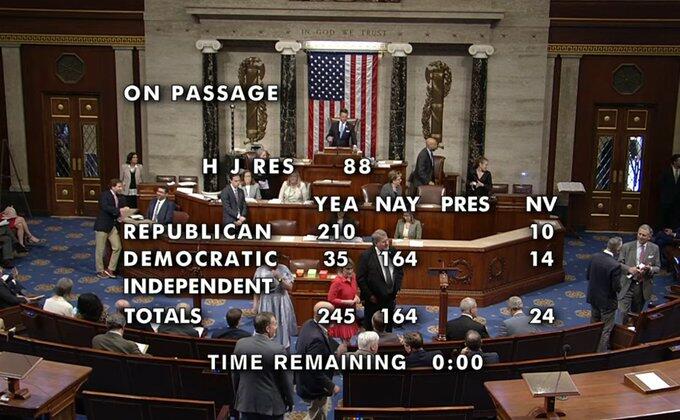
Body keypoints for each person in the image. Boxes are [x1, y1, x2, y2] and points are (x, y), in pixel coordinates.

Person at [232, 312, 294, 420]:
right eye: (275, 324)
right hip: (271, 407)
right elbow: (286, 380)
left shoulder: (240, 344)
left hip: (246, 403)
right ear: (268, 328)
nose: (276, 327)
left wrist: (239, 395)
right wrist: (290, 401)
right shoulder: (278, 350)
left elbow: (235, 374)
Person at [296, 301, 344, 420]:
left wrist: (337, 347)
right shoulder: (317, 340)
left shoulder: (309, 324)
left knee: (319, 413)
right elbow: (314, 369)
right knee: (315, 414)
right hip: (314, 387)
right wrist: (332, 386)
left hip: (304, 379)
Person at [357, 229, 404, 332]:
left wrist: (396, 288)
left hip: (390, 298)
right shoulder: (366, 256)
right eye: (383, 242)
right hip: (374, 300)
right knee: (371, 329)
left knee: (387, 328)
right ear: (376, 243)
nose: (387, 243)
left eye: (387, 240)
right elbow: (361, 279)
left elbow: (399, 271)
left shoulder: (393, 252)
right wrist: (370, 295)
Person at [618, 224, 660, 324]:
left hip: (642, 286)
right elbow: (618, 264)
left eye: (644, 235)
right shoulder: (627, 246)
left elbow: (658, 267)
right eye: (639, 234)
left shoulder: (654, 248)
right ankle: (622, 330)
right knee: (623, 313)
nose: (640, 236)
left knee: (636, 314)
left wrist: (649, 269)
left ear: (649, 237)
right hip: (627, 284)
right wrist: (629, 269)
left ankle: (632, 331)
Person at [586, 237, 623, 351]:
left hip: (593, 297)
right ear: (617, 250)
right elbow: (616, 287)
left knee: (593, 327)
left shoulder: (594, 256)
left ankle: (589, 350)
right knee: (605, 330)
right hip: (607, 302)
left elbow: (588, 276)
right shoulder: (615, 265)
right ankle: (599, 355)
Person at [254, 259, 296, 349]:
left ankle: (283, 347)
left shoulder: (283, 268)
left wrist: (279, 278)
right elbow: (257, 290)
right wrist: (255, 306)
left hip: (281, 301)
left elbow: (290, 287)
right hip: (266, 301)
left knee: (281, 324)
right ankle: (266, 347)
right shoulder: (260, 270)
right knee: (266, 324)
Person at [94, 178, 128, 278]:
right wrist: (119, 210)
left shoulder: (121, 197)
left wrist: (125, 211)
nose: (121, 188)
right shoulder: (105, 195)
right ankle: (100, 270)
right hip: (103, 225)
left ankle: (110, 269)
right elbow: (105, 207)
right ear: (113, 187)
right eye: (119, 186)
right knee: (100, 250)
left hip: (113, 226)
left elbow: (121, 209)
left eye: (121, 186)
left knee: (117, 247)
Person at [327, 259, 360, 343]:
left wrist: (356, 297)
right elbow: (331, 299)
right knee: (344, 339)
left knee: (348, 338)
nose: (350, 271)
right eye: (347, 269)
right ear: (341, 269)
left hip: (351, 312)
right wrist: (346, 302)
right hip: (341, 313)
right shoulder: (337, 282)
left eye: (351, 268)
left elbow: (354, 291)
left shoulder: (353, 277)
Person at [658, 154, 680, 229]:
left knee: (675, 217)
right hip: (666, 199)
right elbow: (661, 183)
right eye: (679, 161)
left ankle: (673, 231)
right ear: (674, 162)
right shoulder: (666, 171)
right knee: (664, 216)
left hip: (677, 200)